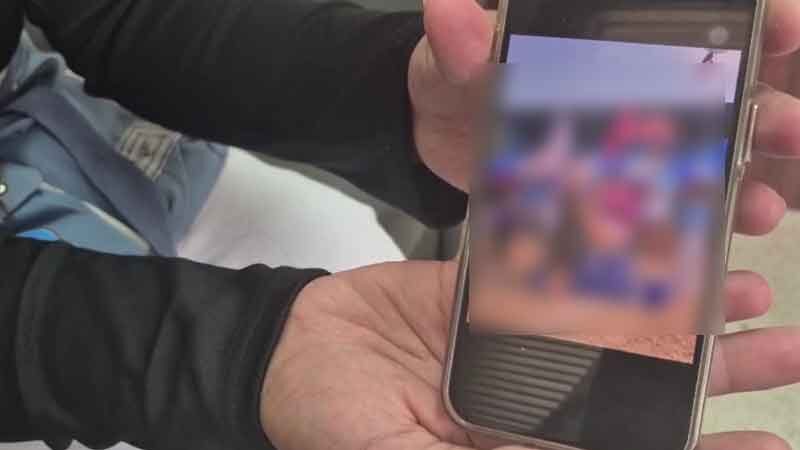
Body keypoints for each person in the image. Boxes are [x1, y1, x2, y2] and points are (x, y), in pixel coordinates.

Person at [1, 2, 800, 450]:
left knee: (362, 258)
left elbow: (117, 11)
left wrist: (390, 100)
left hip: (63, 121)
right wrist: (234, 359)